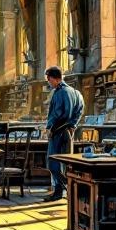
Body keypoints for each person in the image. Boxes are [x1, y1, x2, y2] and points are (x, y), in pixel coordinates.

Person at [44, 65, 84, 202]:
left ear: (54, 78)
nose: (49, 83)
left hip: (58, 130)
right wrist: (73, 125)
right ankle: (64, 190)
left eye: (49, 79)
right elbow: (80, 109)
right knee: (66, 162)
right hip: (69, 131)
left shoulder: (60, 92)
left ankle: (64, 189)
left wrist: (50, 129)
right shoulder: (75, 92)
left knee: (52, 162)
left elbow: (58, 114)